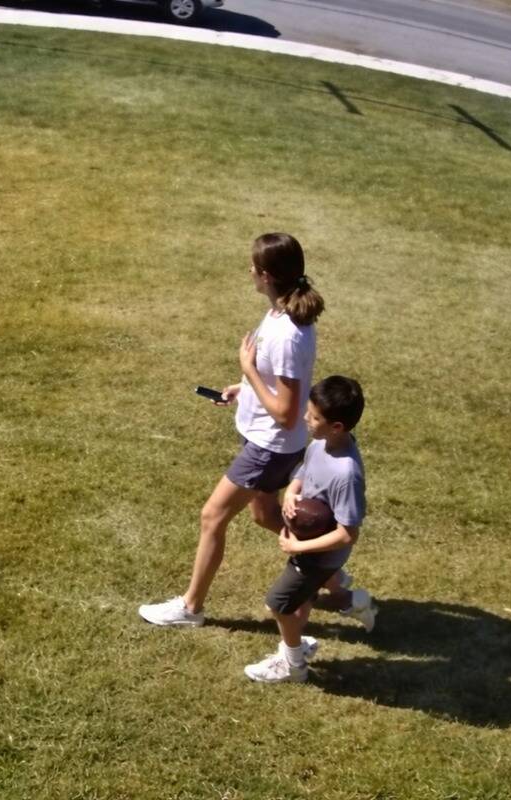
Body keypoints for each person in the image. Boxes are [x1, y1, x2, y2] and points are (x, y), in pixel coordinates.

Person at [138, 232, 324, 628]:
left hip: (269, 446)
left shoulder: (290, 332)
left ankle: (191, 608)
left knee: (212, 517)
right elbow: (278, 389)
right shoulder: (278, 312)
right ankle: (336, 579)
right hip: (267, 439)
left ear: (268, 276)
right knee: (263, 514)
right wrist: (244, 389)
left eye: (254, 268)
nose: (249, 272)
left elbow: (288, 413)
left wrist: (249, 369)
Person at [243, 375, 374, 685]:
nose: (305, 418)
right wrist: (291, 492)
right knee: (300, 601)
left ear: (337, 426)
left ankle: (294, 665)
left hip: (320, 555)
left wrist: (298, 548)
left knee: (279, 605)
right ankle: (351, 602)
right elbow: (303, 473)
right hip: (309, 543)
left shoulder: (347, 474)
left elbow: (347, 534)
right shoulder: (321, 443)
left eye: (314, 417)